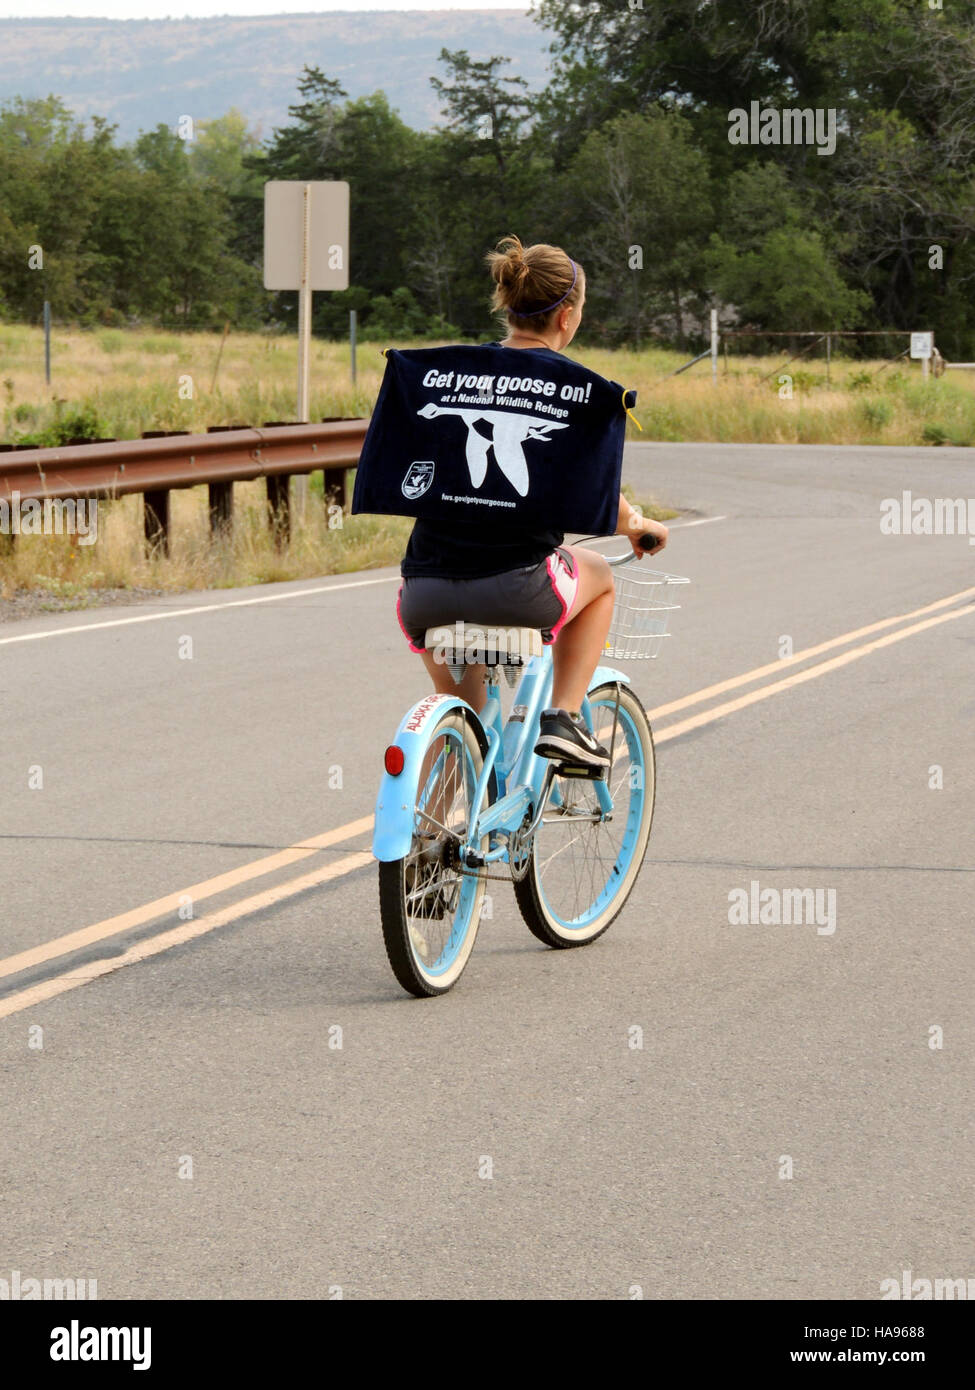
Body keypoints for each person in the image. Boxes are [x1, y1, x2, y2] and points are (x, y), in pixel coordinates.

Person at [396, 234, 669, 769]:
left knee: (465, 721)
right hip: (516, 590)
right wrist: (636, 523)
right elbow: (595, 495)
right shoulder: (574, 389)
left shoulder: (451, 378)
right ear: (567, 317)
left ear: (508, 305)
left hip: (423, 593)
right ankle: (564, 717)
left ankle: (431, 841)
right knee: (600, 578)